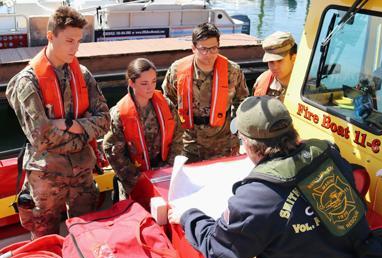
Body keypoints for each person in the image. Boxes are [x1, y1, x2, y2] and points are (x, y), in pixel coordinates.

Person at [168, 96, 382, 258]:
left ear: (251, 145)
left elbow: (219, 248)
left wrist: (188, 216)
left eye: (242, 140)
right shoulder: (328, 154)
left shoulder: (257, 197)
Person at [6, 6, 110, 239]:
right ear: (51, 36)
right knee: (44, 234)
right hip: (46, 178)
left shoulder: (82, 74)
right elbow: (41, 138)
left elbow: (105, 120)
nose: (75, 47)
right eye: (69, 40)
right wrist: (84, 133)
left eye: (79, 41)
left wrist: (69, 124)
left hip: (82, 173)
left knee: (87, 232)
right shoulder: (27, 82)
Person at [162, 22, 249, 163]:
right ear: (193, 48)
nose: (208, 54)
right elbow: (169, 102)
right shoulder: (177, 70)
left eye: (213, 48)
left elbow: (242, 102)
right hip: (188, 142)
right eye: (203, 49)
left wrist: (235, 133)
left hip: (222, 143)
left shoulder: (232, 71)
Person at [103, 58, 183, 200]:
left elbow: (178, 136)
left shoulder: (166, 104)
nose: (150, 88)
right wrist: (138, 179)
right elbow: (113, 151)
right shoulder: (119, 113)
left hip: (164, 174)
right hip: (134, 179)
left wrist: (167, 169)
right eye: (144, 83)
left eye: (153, 81)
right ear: (131, 83)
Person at [253, 31, 297, 101]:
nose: (275, 67)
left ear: (293, 58)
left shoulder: (309, 89)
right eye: (271, 61)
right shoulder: (261, 80)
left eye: (280, 60)